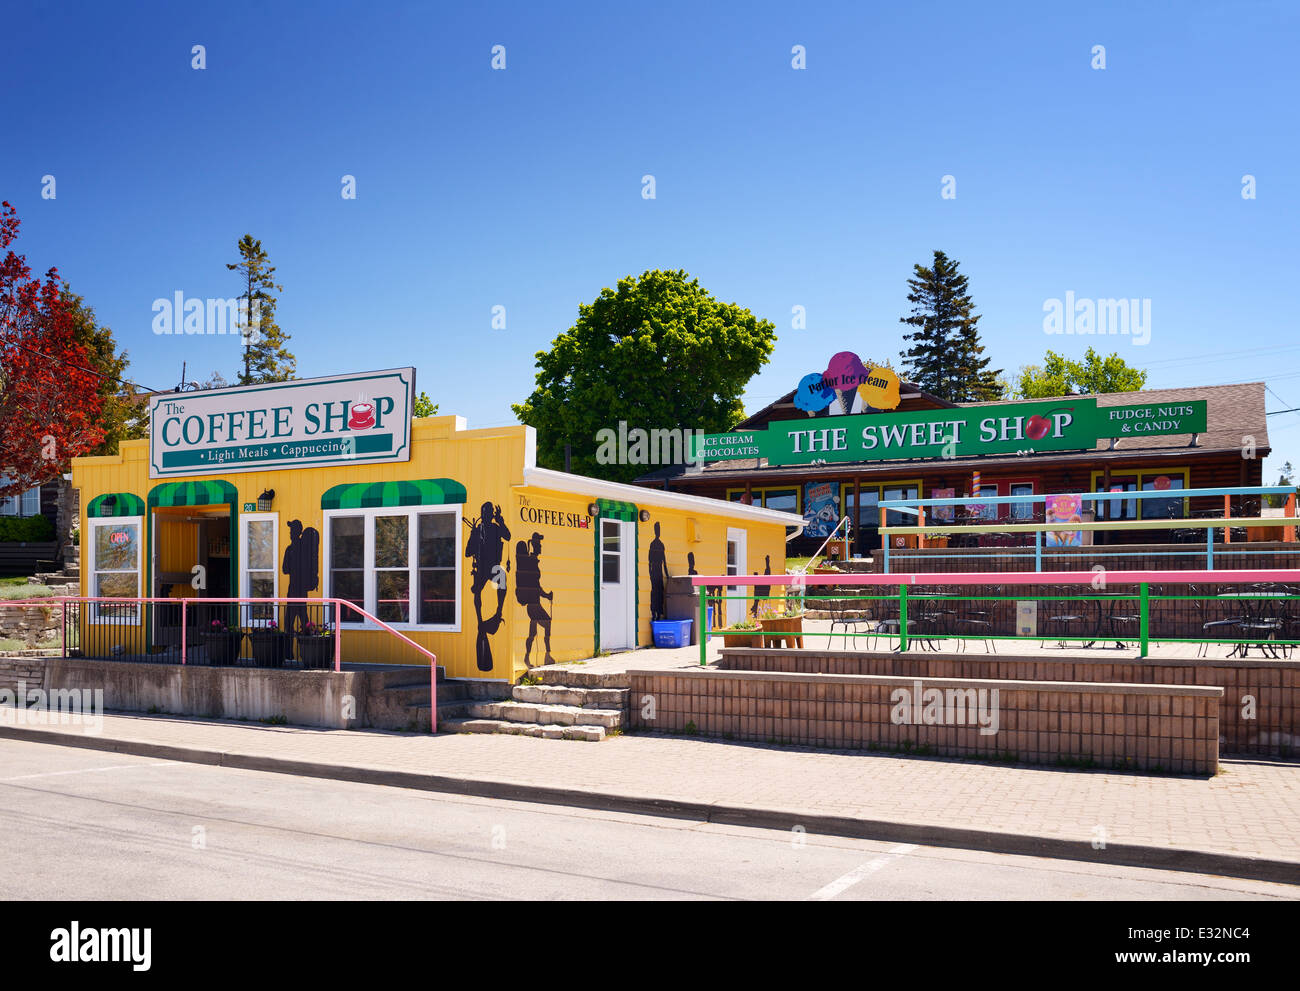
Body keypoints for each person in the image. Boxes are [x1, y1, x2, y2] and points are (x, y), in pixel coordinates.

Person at [465, 501, 510, 671]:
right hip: (481, 567)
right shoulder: (477, 530)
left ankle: (498, 612)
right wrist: (473, 536)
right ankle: (479, 622)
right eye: (485, 513)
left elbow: (508, 536)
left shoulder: (496, 528)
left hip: (493, 566)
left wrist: (501, 521)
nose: (487, 515)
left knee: (502, 580)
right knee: (477, 591)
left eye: (490, 513)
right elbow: (467, 552)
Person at [515, 532, 554, 667]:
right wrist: (546, 595)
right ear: (533, 546)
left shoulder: (531, 561)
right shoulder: (531, 563)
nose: (540, 547)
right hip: (533, 604)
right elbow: (536, 586)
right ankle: (546, 656)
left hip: (533, 603)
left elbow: (536, 586)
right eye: (538, 545)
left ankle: (528, 658)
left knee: (533, 633)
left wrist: (545, 595)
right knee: (547, 623)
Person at [282, 520, 319, 635]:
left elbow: (285, 569)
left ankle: (292, 649)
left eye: (292, 530)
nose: (290, 533)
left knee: (290, 621)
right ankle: (307, 646)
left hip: (294, 589)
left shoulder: (291, 549)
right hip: (301, 589)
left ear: (296, 532)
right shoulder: (305, 549)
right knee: (303, 617)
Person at [647, 521, 670, 620]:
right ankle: (654, 611)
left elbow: (664, 562)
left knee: (660, 592)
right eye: (657, 530)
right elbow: (650, 561)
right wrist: (650, 573)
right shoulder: (652, 544)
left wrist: (667, 575)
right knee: (654, 592)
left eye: (659, 530)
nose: (658, 532)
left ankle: (659, 612)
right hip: (654, 572)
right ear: (655, 531)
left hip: (659, 573)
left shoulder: (661, 545)